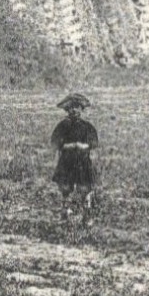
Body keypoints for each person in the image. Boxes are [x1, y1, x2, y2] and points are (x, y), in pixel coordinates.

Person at [50, 93, 100, 226]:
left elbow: (93, 142)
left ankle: (87, 215)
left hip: (83, 161)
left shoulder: (86, 126)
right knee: (65, 188)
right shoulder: (62, 126)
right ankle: (65, 212)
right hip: (66, 161)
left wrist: (84, 146)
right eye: (71, 108)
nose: (74, 110)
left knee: (85, 188)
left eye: (77, 107)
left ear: (81, 109)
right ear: (67, 110)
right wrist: (69, 145)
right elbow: (55, 142)